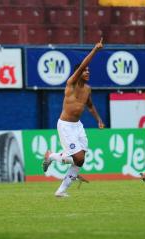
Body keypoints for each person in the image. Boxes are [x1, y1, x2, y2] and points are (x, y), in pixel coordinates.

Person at [42, 38, 105, 197]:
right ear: (79, 73)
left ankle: (60, 191)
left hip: (78, 127)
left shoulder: (88, 89)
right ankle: (51, 156)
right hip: (65, 126)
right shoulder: (71, 82)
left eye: (89, 71)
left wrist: (98, 119)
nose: (87, 72)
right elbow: (83, 64)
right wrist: (95, 50)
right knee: (77, 157)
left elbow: (89, 105)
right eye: (85, 70)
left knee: (81, 161)